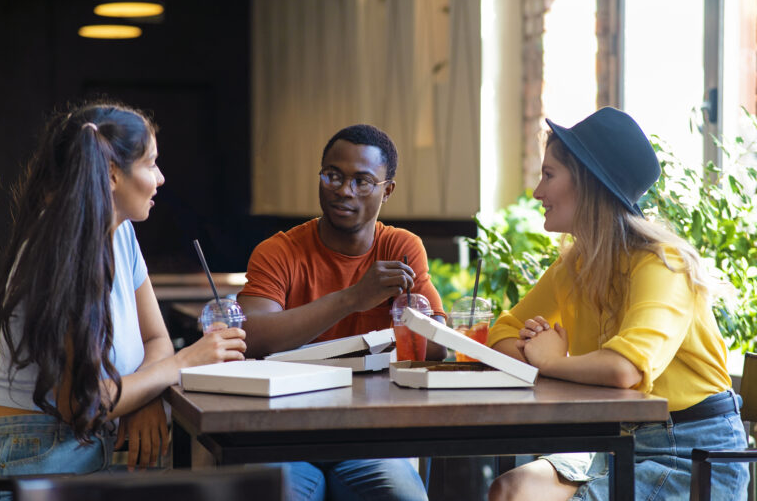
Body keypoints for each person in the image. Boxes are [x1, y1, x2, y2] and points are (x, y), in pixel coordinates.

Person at [486, 107, 748, 501]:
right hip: (618, 441)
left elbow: (625, 368)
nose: (538, 192)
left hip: (692, 454)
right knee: (510, 490)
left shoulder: (663, 263)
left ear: (587, 184)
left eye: (549, 175)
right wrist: (537, 350)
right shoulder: (573, 266)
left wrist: (550, 361)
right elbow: (500, 333)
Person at [0, 102, 247, 498]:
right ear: (112, 174)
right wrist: (182, 364)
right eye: (151, 164)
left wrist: (140, 397)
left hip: (81, 444)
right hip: (34, 448)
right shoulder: (63, 247)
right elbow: (82, 404)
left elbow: (156, 339)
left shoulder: (120, 232)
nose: (160, 178)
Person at [238, 124, 445, 501]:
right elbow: (251, 337)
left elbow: (436, 347)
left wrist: (413, 318)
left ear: (387, 190)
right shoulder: (279, 252)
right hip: (284, 436)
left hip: (372, 438)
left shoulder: (399, 248)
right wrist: (352, 299)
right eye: (333, 175)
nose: (344, 190)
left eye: (362, 181)